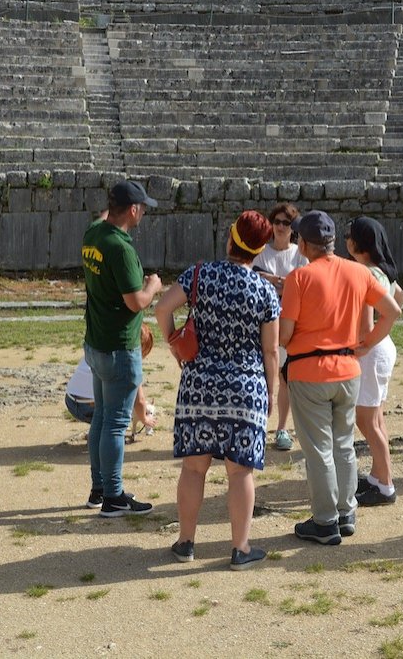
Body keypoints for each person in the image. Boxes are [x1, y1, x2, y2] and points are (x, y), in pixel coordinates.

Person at [156, 211, 280, 570]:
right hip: (245, 386)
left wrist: (175, 342)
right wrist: (270, 391)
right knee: (240, 472)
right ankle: (240, 548)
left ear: (231, 240)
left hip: (199, 384)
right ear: (258, 251)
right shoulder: (264, 290)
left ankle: (186, 542)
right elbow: (271, 350)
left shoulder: (198, 275)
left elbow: (163, 308)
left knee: (195, 468)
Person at [281, 211, 401, 545]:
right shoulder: (358, 272)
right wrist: (369, 341)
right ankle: (346, 512)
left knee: (318, 449)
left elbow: (286, 334)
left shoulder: (299, 277)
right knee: (343, 444)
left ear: (303, 243)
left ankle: (324, 520)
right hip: (348, 369)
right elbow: (393, 310)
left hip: (309, 372)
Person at [81, 180, 163, 516]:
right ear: (132, 210)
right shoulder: (121, 248)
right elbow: (135, 303)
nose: (143, 211)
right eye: (141, 206)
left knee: (101, 418)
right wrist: (153, 287)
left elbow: (103, 217)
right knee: (115, 423)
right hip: (119, 347)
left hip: (96, 343)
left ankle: (98, 488)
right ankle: (114, 496)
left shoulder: (94, 234)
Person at [345, 218, 403, 507]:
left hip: (371, 351)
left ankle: (386, 484)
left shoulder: (363, 271)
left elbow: (366, 320)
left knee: (366, 421)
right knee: (376, 418)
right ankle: (379, 477)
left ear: (356, 244)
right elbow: (400, 296)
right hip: (383, 347)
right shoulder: (383, 271)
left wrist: (364, 342)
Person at [252, 201, 308, 451]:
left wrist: (275, 281)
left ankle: (282, 428)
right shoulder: (262, 251)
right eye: (277, 222)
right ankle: (257, 425)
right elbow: (253, 277)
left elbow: (303, 284)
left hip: (290, 320)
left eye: (286, 223)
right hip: (263, 320)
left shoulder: (300, 253)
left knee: (284, 376)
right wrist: (277, 281)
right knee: (263, 374)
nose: (281, 226)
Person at [64, 323, 158, 443]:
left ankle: (97, 432)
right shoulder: (129, 360)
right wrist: (145, 419)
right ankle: (106, 437)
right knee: (124, 409)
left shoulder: (101, 345)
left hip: (71, 400)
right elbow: (139, 401)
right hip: (88, 407)